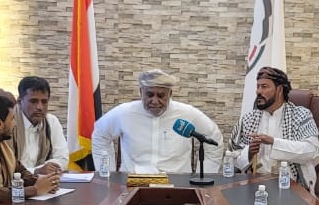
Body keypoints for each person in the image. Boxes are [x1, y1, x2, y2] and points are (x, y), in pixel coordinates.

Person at [91, 69, 224, 174]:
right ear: (141, 92)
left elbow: (214, 139)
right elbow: (100, 135)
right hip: (132, 183)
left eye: (161, 96)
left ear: (170, 94)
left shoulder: (187, 113)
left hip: (178, 185)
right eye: (149, 95)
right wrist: (108, 173)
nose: (155, 101)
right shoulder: (124, 112)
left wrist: (205, 176)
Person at [230, 66, 319, 190]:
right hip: (254, 187)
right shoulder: (248, 119)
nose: (258, 91)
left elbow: (311, 150)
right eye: (258, 86)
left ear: (279, 90)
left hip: (292, 186)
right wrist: (248, 153)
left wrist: (273, 142)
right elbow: (232, 158)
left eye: (264, 86)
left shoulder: (301, 115)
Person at [12, 76, 68, 175]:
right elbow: (5, 168)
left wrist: (47, 168)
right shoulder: (8, 123)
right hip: (15, 182)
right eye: (33, 101)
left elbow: (63, 159)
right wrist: (35, 171)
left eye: (44, 102)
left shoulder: (51, 121)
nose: (40, 107)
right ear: (20, 102)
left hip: (44, 180)